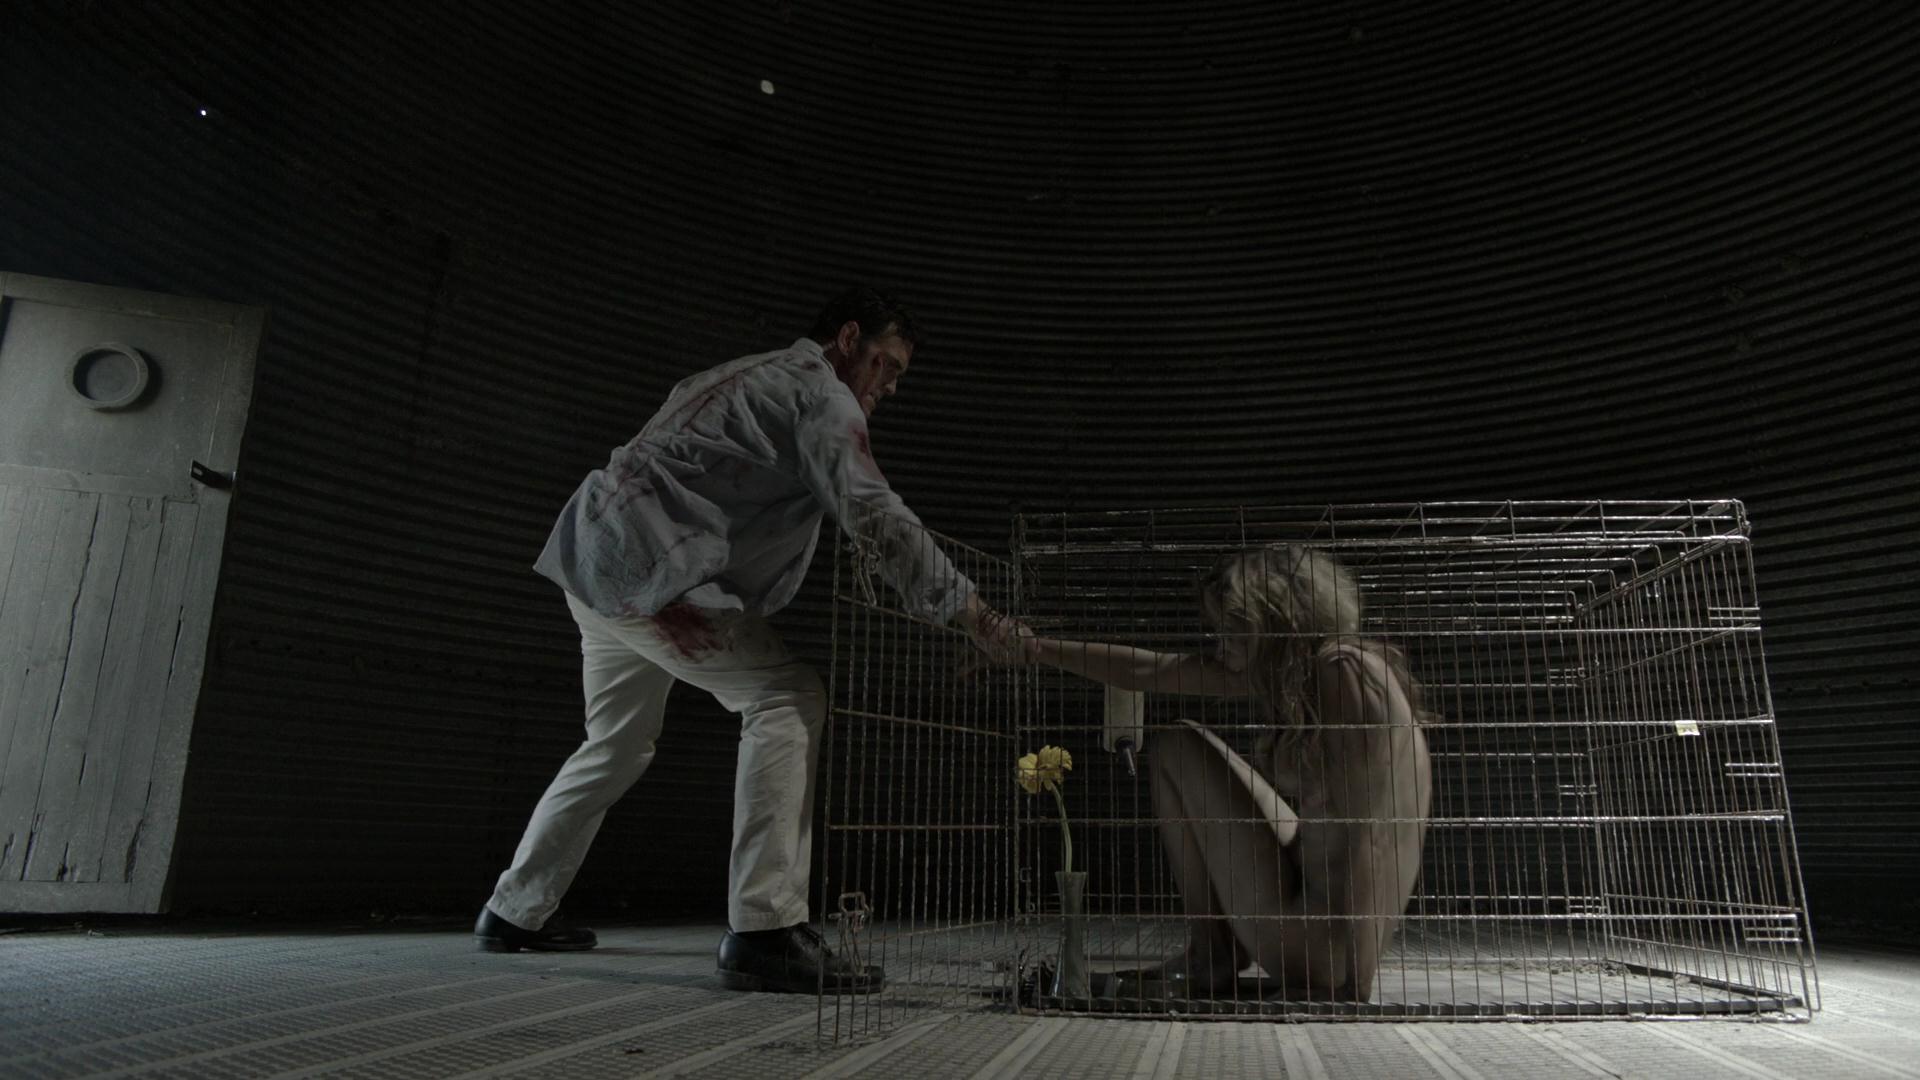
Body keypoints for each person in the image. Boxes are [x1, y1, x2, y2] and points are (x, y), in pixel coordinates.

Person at [476, 287, 1012, 994]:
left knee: (615, 744)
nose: (889, 386)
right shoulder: (822, 397)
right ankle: (764, 930)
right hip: (654, 583)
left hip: (595, 562)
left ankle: (513, 910)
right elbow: (874, 511)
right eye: (885, 364)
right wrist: (977, 616)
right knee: (786, 696)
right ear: (848, 338)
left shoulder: (741, 373)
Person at [1006, 545, 1435, 1001]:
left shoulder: (1342, 673)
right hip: (1317, 915)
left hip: (1322, 942)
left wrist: (1353, 988)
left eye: (1230, 629)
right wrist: (1035, 648)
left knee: (1175, 746)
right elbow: (1149, 670)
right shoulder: (1317, 665)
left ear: (1273, 621)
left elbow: (1372, 836)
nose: (1219, 645)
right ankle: (1213, 955)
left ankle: (1213, 957)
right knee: (1182, 740)